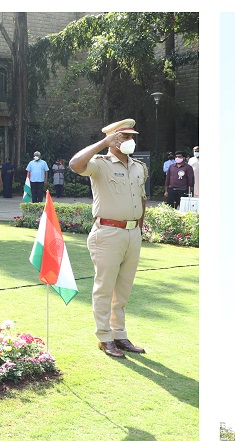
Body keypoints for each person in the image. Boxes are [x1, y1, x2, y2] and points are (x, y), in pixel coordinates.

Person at [70, 120, 149, 359]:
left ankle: (119, 334)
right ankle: (104, 337)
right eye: (123, 136)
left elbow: (142, 199)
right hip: (108, 233)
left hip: (132, 233)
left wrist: (139, 228)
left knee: (123, 290)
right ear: (112, 139)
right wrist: (103, 143)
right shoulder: (100, 164)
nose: (128, 140)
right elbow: (75, 164)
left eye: (130, 136)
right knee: (104, 288)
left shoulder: (138, 167)